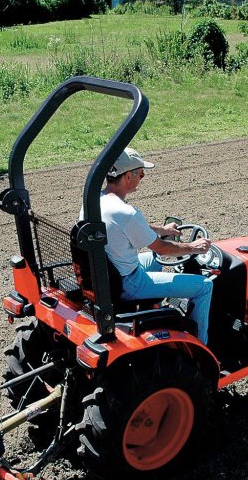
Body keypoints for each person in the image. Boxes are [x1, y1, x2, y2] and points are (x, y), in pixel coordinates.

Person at [81, 147, 214, 344]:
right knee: (205, 286)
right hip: (129, 282)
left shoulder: (95, 202)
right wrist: (194, 247)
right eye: (141, 174)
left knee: (154, 260)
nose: (141, 179)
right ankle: (202, 345)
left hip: (109, 274)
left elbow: (126, 226)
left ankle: (153, 311)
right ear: (128, 176)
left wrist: (162, 229)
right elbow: (162, 248)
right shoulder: (127, 213)